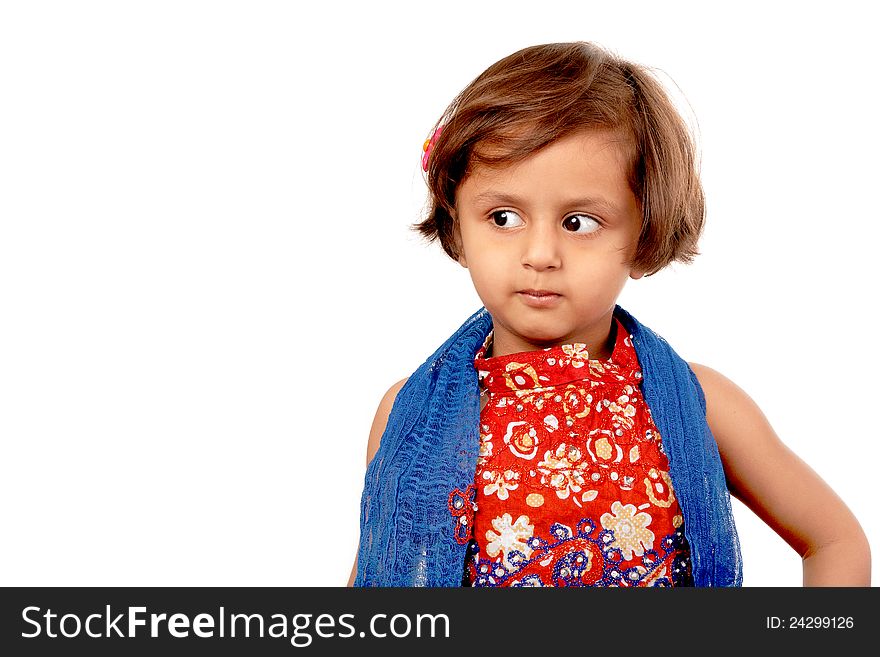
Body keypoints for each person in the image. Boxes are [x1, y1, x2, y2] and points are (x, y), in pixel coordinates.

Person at [347, 41, 870, 587]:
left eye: (579, 223)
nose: (540, 254)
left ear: (644, 236)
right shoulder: (411, 413)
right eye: (503, 217)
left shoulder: (702, 405)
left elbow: (834, 541)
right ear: (457, 227)